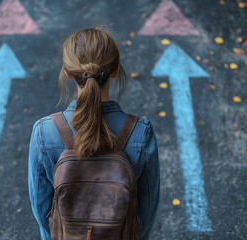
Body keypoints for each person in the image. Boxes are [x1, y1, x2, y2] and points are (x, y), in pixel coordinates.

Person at [28, 27, 160, 240]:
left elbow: (42, 209)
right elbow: (145, 210)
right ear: (115, 70)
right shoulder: (141, 132)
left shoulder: (44, 132)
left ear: (68, 73)